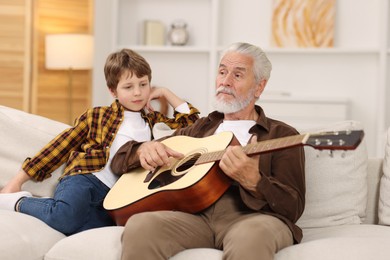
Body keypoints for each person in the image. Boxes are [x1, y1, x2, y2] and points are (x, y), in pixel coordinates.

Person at [110, 42, 305, 260]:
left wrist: (256, 181)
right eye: (222, 72)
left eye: (237, 75)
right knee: (141, 225)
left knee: (251, 237)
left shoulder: (283, 135)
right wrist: (144, 149)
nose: (225, 82)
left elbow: (293, 207)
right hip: (194, 216)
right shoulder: (201, 127)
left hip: (251, 217)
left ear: (259, 87)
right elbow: (119, 160)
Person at [0, 48, 200, 236]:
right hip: (85, 178)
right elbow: (59, 147)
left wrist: (165, 92)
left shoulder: (154, 121)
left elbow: (192, 124)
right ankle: (17, 202)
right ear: (113, 91)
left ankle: (54, 206)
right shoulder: (97, 116)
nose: (138, 93)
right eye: (128, 87)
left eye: (143, 84)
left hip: (117, 195)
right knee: (66, 218)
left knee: (87, 228)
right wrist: (16, 182)